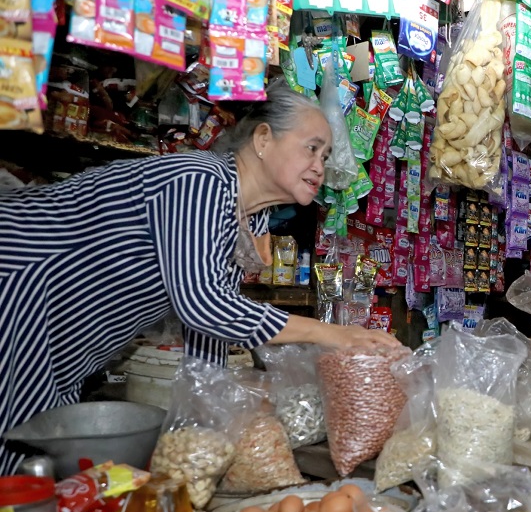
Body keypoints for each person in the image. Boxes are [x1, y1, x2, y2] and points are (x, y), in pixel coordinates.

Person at [0, 82, 396, 475]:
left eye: (325, 156)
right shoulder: (199, 180)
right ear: (262, 139)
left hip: (62, 335)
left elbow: (209, 332)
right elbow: (203, 305)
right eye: (311, 148)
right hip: (21, 287)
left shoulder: (246, 217)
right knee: (22, 458)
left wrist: (210, 428)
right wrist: (330, 333)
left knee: (41, 463)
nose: (319, 167)